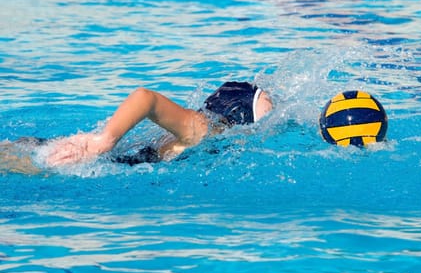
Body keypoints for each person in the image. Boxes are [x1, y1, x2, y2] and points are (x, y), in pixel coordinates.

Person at [45, 81, 273, 167]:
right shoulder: (202, 130)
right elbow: (145, 97)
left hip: (121, 162)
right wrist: (102, 142)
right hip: (96, 160)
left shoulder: (209, 137)